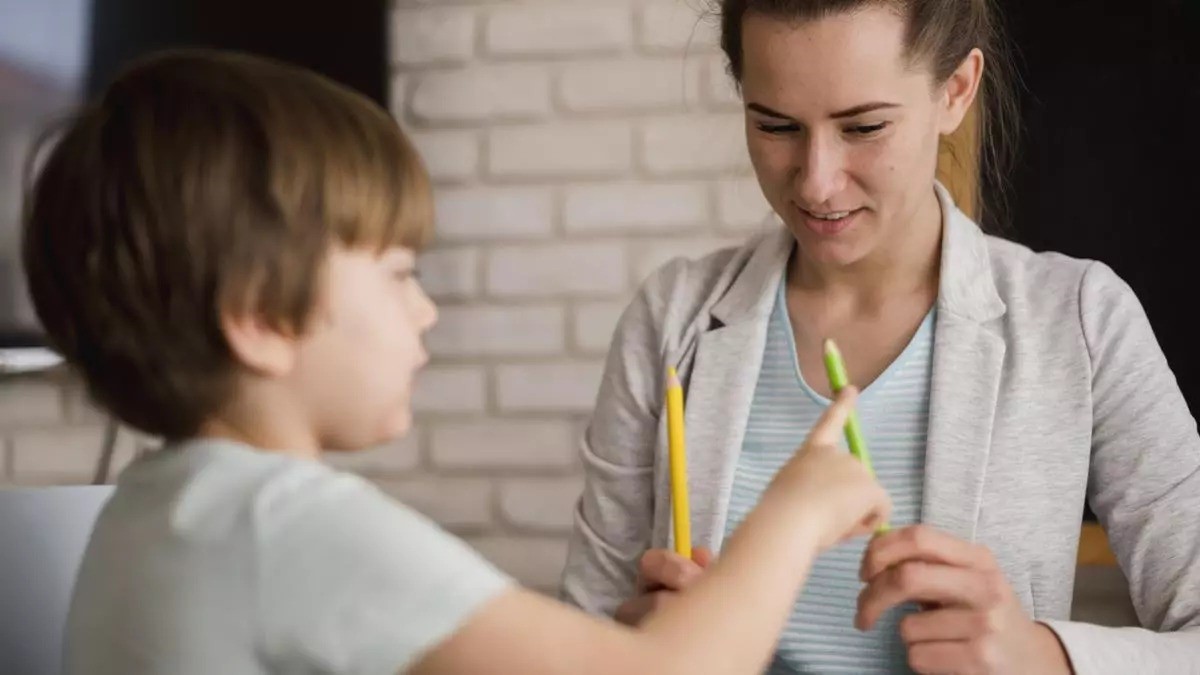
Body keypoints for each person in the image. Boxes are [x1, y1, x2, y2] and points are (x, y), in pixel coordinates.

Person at [22, 48, 892, 675]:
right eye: (399, 273)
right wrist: (795, 512)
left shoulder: (151, 510)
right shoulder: (286, 525)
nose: (425, 307)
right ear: (257, 314)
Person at [559, 0, 1200, 673]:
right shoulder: (673, 320)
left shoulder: (1081, 321)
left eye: (863, 127)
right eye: (775, 125)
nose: (817, 181)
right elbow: (574, 639)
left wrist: (1047, 658)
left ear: (955, 90)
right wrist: (631, 653)